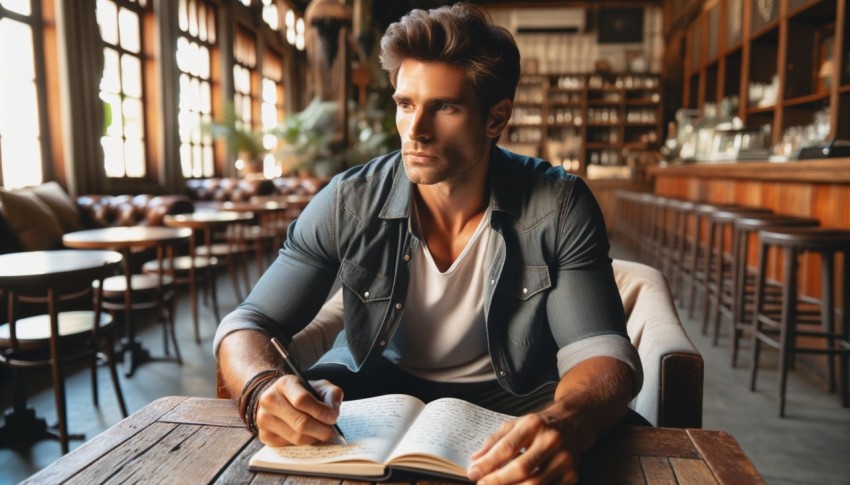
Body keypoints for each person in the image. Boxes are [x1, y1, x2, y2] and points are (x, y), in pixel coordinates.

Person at [215, 3, 642, 484]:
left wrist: (567, 422)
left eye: (445, 107)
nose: (416, 131)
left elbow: (601, 353)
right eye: (405, 104)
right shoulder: (347, 201)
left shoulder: (559, 204)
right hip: (371, 397)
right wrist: (261, 387)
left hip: (514, 400)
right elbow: (248, 323)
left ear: (496, 117)